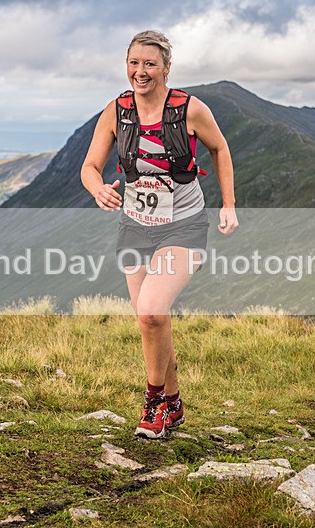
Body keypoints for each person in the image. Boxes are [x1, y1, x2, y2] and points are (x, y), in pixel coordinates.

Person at [81, 30, 238, 439]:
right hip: (135, 226)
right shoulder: (116, 112)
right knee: (152, 320)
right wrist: (97, 188)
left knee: (151, 310)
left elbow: (220, 149)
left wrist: (228, 204)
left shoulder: (190, 109)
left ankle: (153, 405)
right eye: (134, 62)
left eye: (150, 63)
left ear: (167, 68)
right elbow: (90, 166)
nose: (140, 71)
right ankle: (174, 403)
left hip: (183, 225)